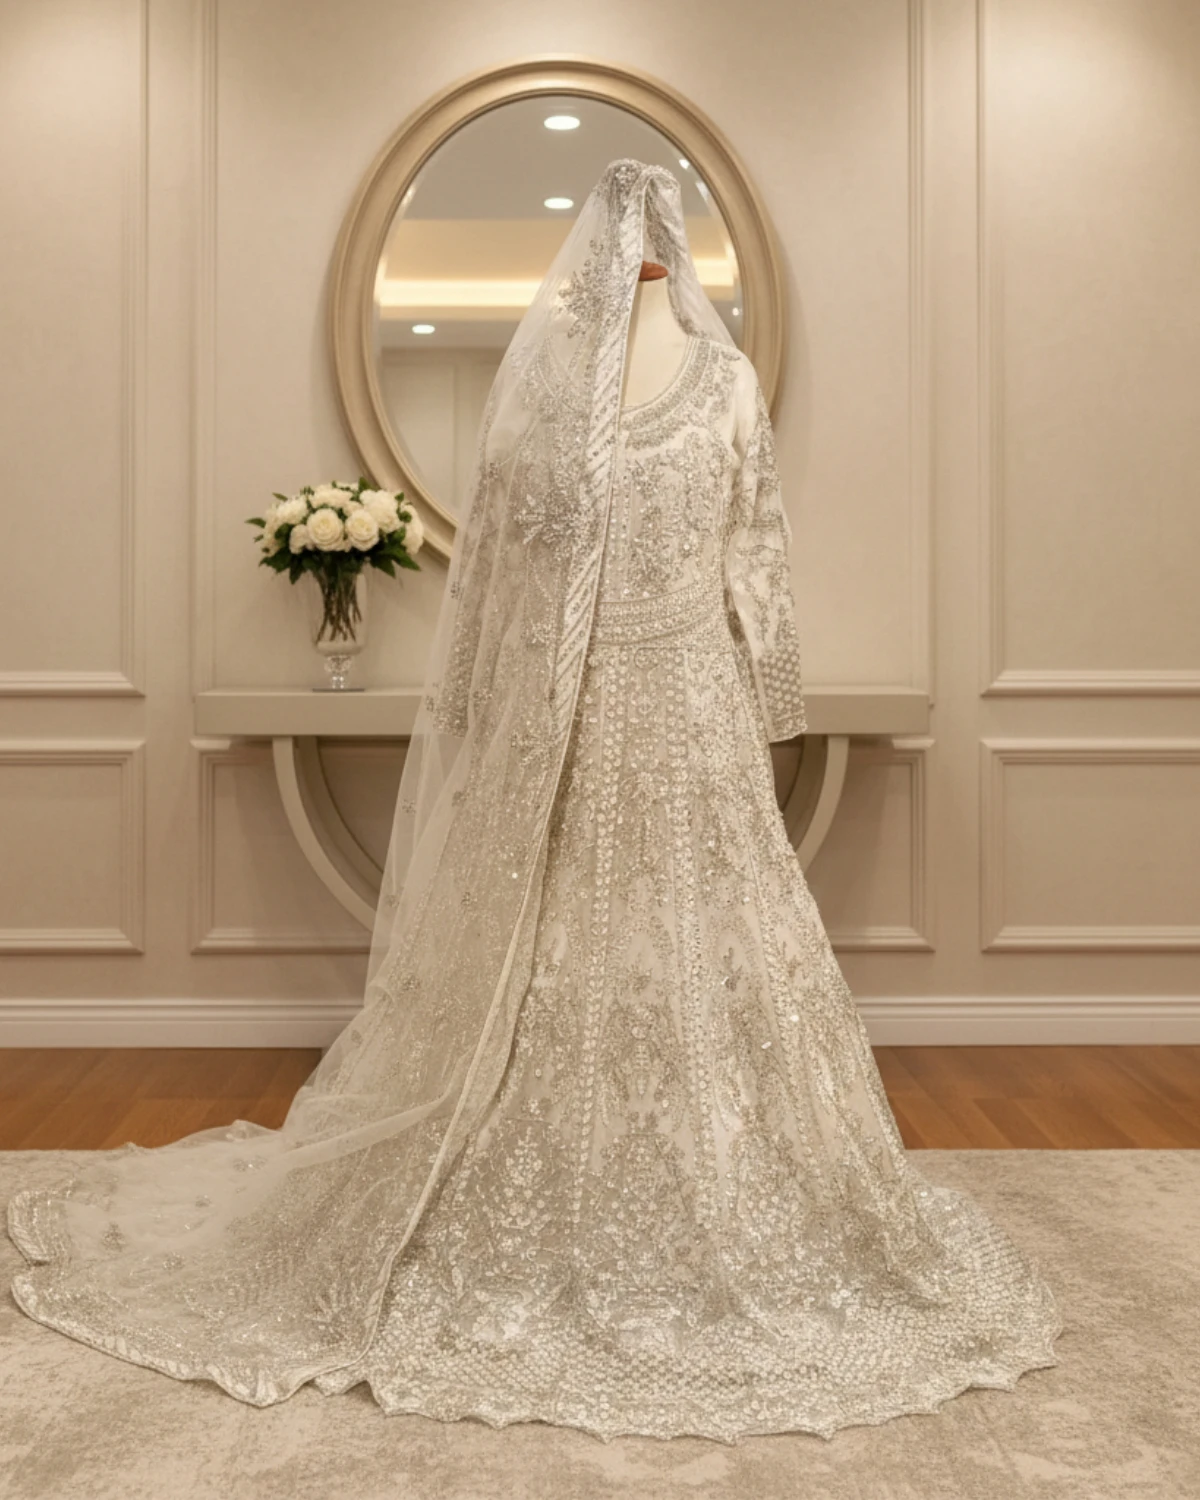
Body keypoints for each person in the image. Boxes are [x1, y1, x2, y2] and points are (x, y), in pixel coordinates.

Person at [7, 158, 1063, 1443]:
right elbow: (503, 577)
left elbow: (758, 550)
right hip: (567, 717)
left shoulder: (724, 382)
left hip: (692, 714)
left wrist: (768, 690)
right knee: (542, 957)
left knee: (707, 945)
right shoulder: (548, 392)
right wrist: (489, 708)